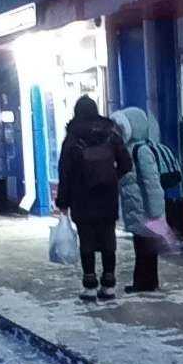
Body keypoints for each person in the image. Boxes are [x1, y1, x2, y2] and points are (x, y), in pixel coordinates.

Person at [55, 96, 130, 301]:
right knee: (108, 240)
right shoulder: (111, 134)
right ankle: (109, 286)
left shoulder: (72, 138)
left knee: (86, 241)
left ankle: (89, 286)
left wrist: (63, 202)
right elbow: (126, 163)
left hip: (82, 199)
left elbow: (65, 172)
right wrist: (112, 177)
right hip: (107, 197)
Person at [112, 104, 177, 294]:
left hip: (145, 210)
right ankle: (146, 283)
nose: (117, 131)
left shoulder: (141, 150)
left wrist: (156, 213)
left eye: (121, 127)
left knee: (145, 249)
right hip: (138, 209)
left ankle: (145, 283)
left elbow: (152, 183)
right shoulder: (130, 149)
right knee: (144, 248)